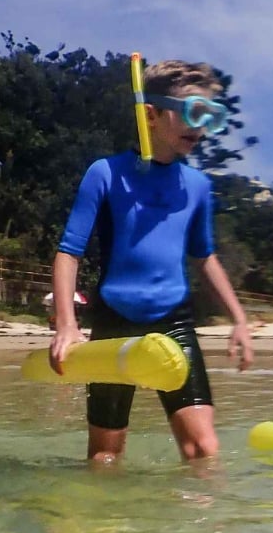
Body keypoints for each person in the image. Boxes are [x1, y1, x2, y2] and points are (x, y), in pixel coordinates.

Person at [49, 59, 254, 463]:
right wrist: (67, 326)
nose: (200, 127)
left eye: (210, 115)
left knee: (203, 451)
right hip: (114, 323)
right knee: (105, 457)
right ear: (152, 114)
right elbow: (68, 252)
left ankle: (196, 525)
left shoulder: (197, 186)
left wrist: (239, 319)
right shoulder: (105, 173)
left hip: (174, 322)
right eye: (192, 112)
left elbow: (204, 257)